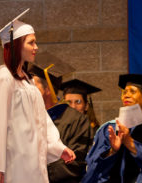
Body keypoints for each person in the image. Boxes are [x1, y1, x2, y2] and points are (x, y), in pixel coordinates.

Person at [0, 9, 75, 183]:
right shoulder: (4, 78)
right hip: (13, 163)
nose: (36, 47)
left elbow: (42, 120)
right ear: (16, 45)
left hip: (32, 162)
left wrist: (58, 148)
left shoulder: (28, 81)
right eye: (31, 43)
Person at [82, 73, 142, 183]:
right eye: (124, 92)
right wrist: (111, 152)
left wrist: (130, 143)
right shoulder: (108, 128)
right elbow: (92, 168)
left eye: (132, 91)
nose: (126, 95)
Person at [28, 52, 93, 183]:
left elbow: (75, 162)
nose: (29, 90)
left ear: (48, 89)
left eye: (33, 86)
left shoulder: (77, 120)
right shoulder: (27, 116)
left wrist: (38, 172)